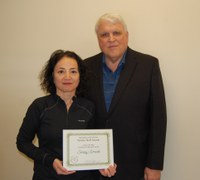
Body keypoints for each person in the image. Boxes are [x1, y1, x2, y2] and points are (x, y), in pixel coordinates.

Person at [83, 13, 167, 180]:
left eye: (117, 33)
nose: (111, 39)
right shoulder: (85, 67)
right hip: (93, 165)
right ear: (98, 39)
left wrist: (155, 165)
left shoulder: (148, 65)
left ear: (127, 36)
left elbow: (158, 118)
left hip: (135, 163)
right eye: (104, 34)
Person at [16, 50, 116, 180]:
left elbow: (95, 147)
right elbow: (22, 142)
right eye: (61, 71)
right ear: (52, 75)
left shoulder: (89, 107)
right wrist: (50, 160)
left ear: (80, 76)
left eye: (73, 71)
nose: (67, 77)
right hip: (47, 175)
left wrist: (102, 165)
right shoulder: (40, 106)